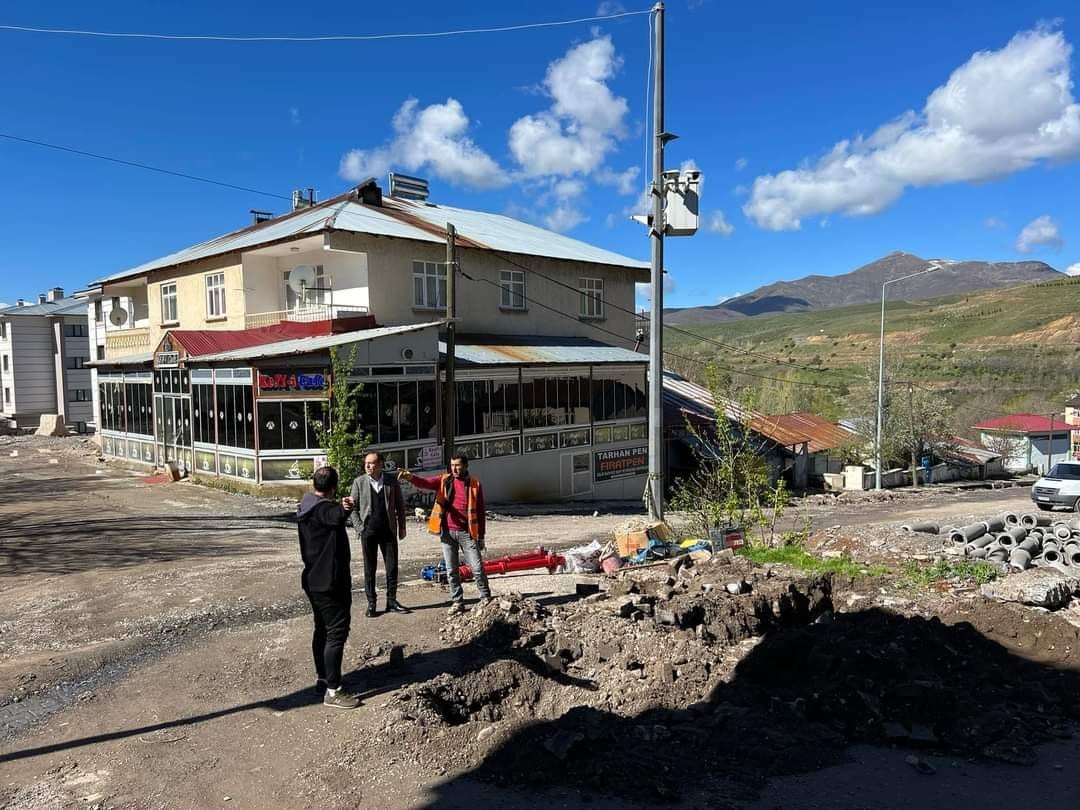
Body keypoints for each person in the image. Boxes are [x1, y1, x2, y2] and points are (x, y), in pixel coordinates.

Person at [297, 465, 361, 710]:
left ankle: (324, 679)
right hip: (329, 582)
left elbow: (331, 517)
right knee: (336, 632)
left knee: (322, 630)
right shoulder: (323, 509)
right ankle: (333, 691)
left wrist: (341, 509)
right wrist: (344, 508)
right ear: (333, 487)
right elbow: (332, 516)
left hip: (314, 579)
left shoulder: (307, 504)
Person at [399, 452, 491, 614]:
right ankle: (457, 602)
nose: (454, 468)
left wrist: (481, 536)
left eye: (458, 465)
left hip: (467, 533)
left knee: (477, 568)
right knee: (451, 570)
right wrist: (410, 477)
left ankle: (485, 598)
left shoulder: (475, 485)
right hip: (447, 532)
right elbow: (425, 483)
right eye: (452, 465)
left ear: (465, 465)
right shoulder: (444, 480)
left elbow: (480, 512)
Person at [349, 450, 409, 617]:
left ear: (380, 465)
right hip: (368, 531)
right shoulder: (359, 482)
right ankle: (371, 603)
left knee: (392, 567)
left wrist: (402, 527)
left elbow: (399, 505)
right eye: (367, 463)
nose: (368, 466)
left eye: (372, 463)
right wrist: (360, 527)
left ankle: (391, 601)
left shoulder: (391, 481)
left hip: (388, 530)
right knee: (370, 568)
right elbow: (352, 508)